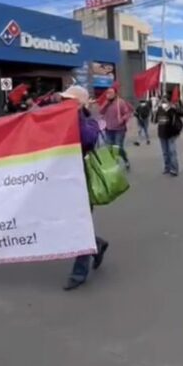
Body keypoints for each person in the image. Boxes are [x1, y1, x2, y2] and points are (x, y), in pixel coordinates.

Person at [59, 85, 109, 291]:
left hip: (82, 182)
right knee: (70, 223)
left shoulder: (89, 122)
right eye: (63, 100)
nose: (63, 103)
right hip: (61, 182)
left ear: (79, 104)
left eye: (68, 100)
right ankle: (96, 245)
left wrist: (75, 115)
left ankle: (79, 273)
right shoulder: (58, 121)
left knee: (79, 225)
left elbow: (87, 139)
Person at [100, 87, 133, 170]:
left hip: (119, 129)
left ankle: (125, 160)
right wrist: (106, 103)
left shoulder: (120, 102)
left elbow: (127, 113)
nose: (109, 94)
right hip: (108, 129)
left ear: (115, 94)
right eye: (108, 92)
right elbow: (101, 111)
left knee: (118, 147)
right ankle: (114, 164)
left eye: (111, 92)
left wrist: (122, 119)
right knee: (110, 148)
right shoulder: (106, 103)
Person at [154, 96, 183, 176]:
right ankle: (167, 167)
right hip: (162, 134)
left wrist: (175, 107)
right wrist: (154, 111)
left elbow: (182, 114)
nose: (163, 102)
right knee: (165, 152)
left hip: (171, 134)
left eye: (165, 100)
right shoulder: (159, 109)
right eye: (162, 100)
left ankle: (174, 169)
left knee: (171, 152)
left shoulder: (172, 109)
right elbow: (154, 120)